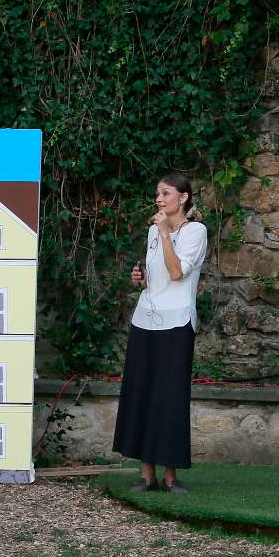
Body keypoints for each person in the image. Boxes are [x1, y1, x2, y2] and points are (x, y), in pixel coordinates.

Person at [112, 172, 209, 493]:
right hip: (145, 320)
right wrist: (140, 277)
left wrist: (167, 234)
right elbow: (158, 274)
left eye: (165, 193)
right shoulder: (154, 230)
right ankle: (146, 474)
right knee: (141, 393)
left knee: (170, 398)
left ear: (183, 198)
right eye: (157, 193)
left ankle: (170, 477)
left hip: (177, 323)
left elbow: (177, 272)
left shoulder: (196, 232)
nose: (159, 198)